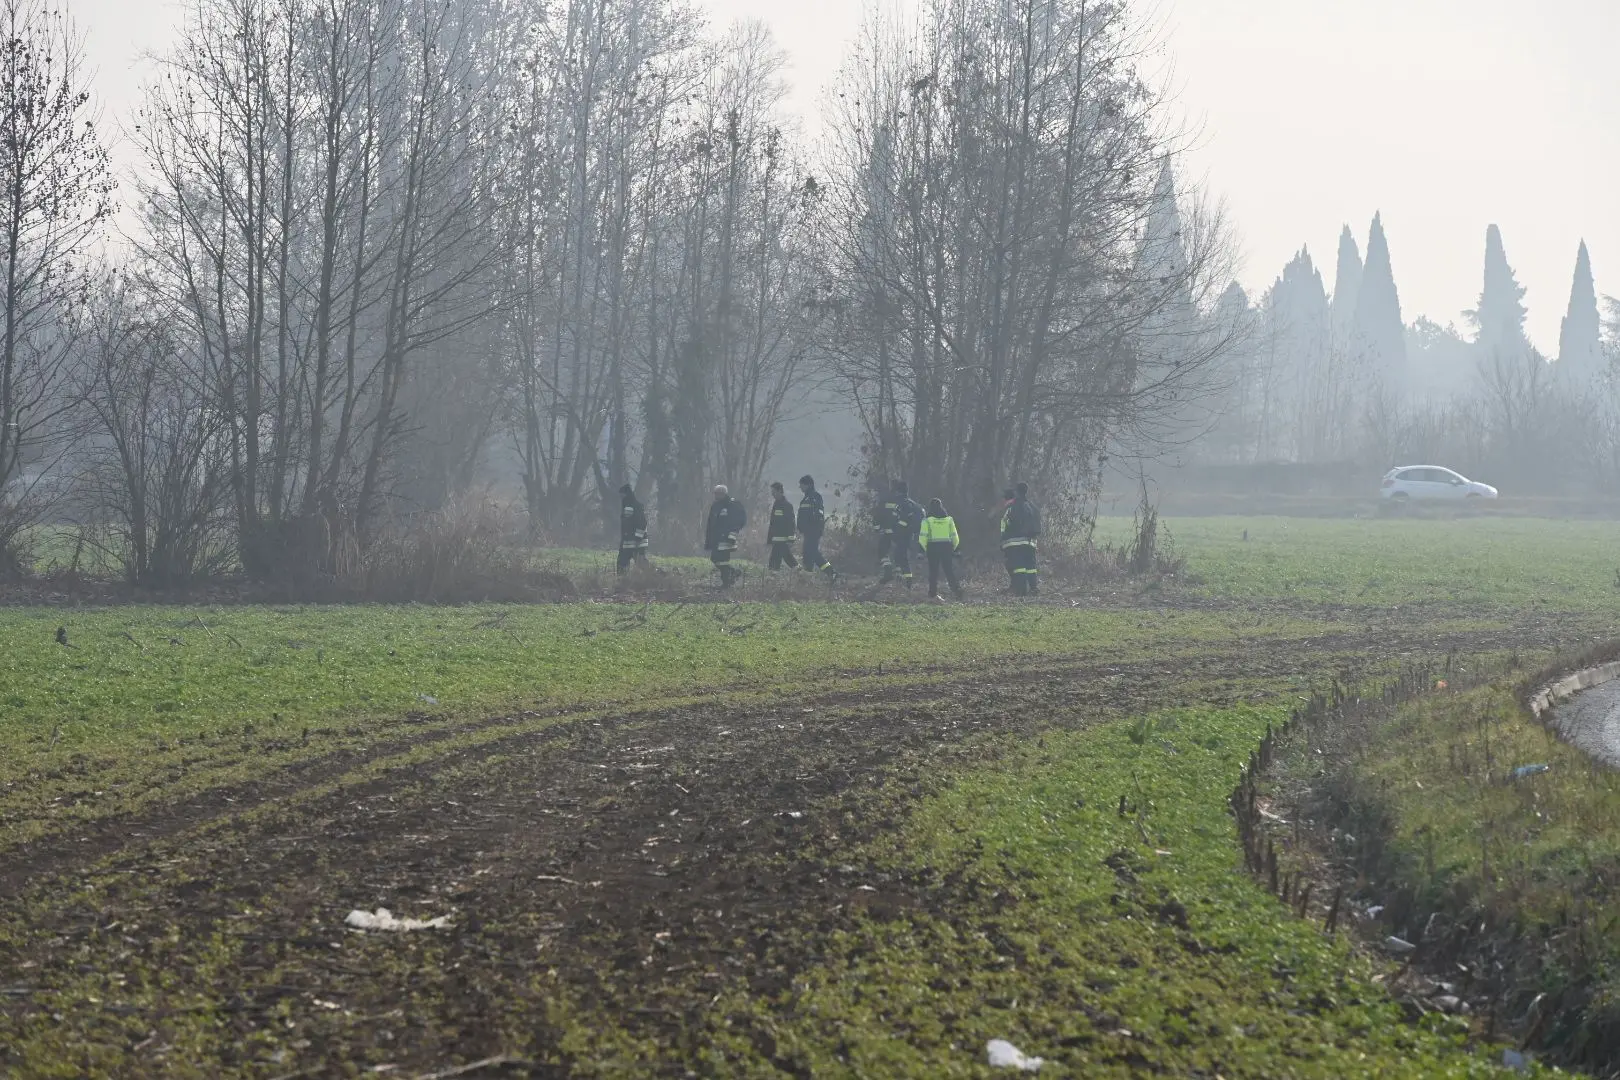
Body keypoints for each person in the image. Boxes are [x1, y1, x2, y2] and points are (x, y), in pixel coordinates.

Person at [1000, 481, 1041, 595]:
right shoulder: (1033, 506)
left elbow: (1006, 523)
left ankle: (1021, 590)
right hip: (1031, 542)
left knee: (1018, 566)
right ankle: (1033, 588)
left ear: (1017, 492)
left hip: (1015, 542)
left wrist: (1003, 540)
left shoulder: (1012, 507)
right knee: (1031, 566)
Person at [918, 498, 963, 601]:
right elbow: (954, 536)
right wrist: (956, 549)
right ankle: (957, 591)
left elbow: (923, 537)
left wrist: (921, 551)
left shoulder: (927, 521)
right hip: (946, 547)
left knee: (933, 571)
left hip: (932, 547)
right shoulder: (949, 520)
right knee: (949, 570)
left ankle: (932, 594)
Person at [879, 481, 922, 588]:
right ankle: (903, 578)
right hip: (909, 535)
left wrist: (894, 530)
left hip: (900, 534)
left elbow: (898, 519)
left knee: (895, 554)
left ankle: (905, 580)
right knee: (899, 556)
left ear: (897, 491)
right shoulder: (912, 503)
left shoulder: (900, 503)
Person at [705, 484, 747, 587]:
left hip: (727, 538)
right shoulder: (715, 505)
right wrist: (709, 539)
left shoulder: (732, 505)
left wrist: (732, 534)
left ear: (723, 494)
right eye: (715, 493)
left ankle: (726, 582)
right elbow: (711, 523)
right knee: (715, 559)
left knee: (723, 560)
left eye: (717, 494)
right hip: (717, 538)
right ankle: (733, 572)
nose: (715, 496)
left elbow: (739, 521)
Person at [797, 475, 833, 574]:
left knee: (812, 553)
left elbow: (818, 515)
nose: (800, 488)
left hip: (813, 531)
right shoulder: (806, 498)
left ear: (808, 485)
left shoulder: (815, 497)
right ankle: (807, 573)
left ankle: (831, 573)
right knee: (808, 553)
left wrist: (815, 528)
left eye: (801, 485)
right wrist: (800, 527)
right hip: (807, 532)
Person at [616, 484, 649, 574]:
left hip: (637, 544)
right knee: (621, 564)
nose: (621, 498)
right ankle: (622, 583)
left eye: (622, 495)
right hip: (628, 543)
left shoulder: (636, 506)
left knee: (642, 565)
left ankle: (657, 577)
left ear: (626, 494)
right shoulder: (627, 506)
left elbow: (642, 522)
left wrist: (638, 537)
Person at [766, 481, 799, 570]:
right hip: (776, 539)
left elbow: (791, 523)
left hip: (783, 540)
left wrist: (790, 538)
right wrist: (769, 539)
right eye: (772, 492)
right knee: (788, 559)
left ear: (780, 491)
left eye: (774, 492)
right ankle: (801, 575)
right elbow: (772, 523)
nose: (772, 494)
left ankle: (771, 579)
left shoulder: (787, 506)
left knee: (774, 561)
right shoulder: (776, 505)